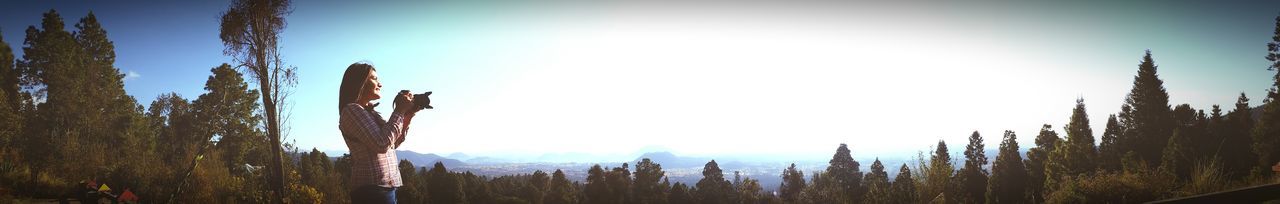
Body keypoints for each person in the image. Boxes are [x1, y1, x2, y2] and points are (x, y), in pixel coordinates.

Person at [338, 62, 420, 203]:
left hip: (384, 189)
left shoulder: (370, 113)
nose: (380, 84)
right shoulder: (352, 110)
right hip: (371, 192)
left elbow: (392, 143)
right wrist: (399, 110)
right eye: (375, 78)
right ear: (360, 83)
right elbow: (381, 144)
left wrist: (408, 114)